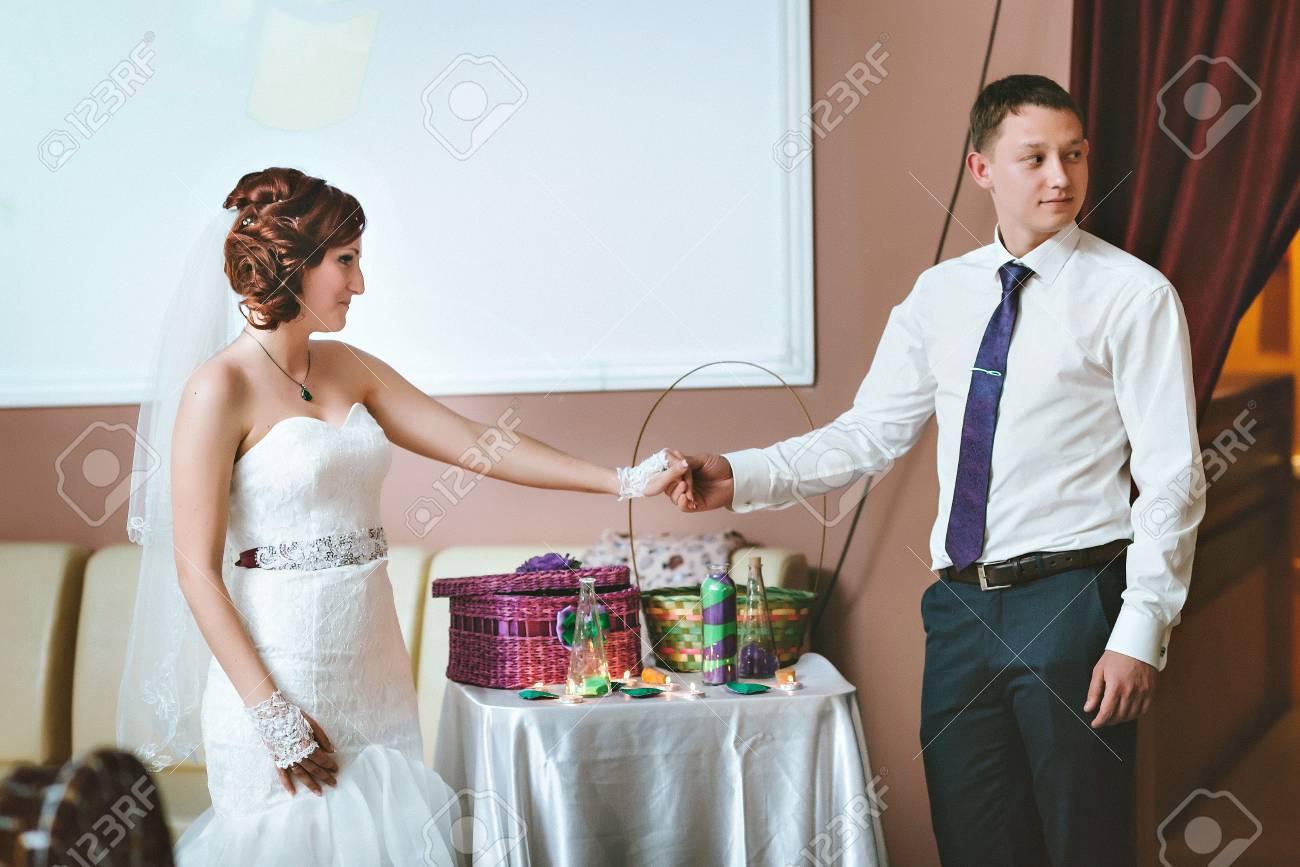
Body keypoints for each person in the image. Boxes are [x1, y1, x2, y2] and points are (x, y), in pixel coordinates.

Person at [667, 75, 1205, 866]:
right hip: (960, 614)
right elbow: (866, 437)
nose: (1061, 176)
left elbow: (1172, 476)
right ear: (982, 169)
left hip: (1076, 606)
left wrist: (1141, 628)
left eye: (1075, 154)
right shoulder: (937, 297)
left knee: (1084, 844)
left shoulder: (1133, 296)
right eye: (1035, 158)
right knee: (975, 843)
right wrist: (737, 475)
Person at [118, 167, 687, 866]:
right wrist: (273, 715)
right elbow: (193, 569)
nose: (360, 284)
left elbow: (483, 444)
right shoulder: (218, 386)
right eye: (346, 261)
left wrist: (624, 479)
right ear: (294, 261)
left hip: (375, 675)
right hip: (278, 679)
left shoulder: (348, 365)